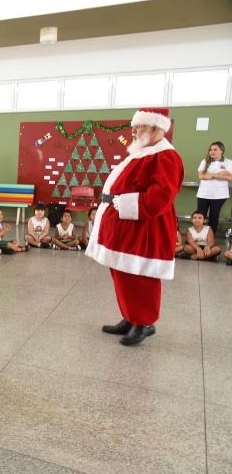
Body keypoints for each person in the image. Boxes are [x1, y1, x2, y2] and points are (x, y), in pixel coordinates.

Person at [86, 107, 184, 346]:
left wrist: (125, 203)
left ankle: (145, 323)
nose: (133, 130)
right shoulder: (143, 151)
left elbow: (161, 195)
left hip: (144, 229)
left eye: (139, 126)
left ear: (156, 128)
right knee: (122, 273)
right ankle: (130, 317)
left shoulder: (166, 156)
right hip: (125, 227)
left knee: (140, 276)